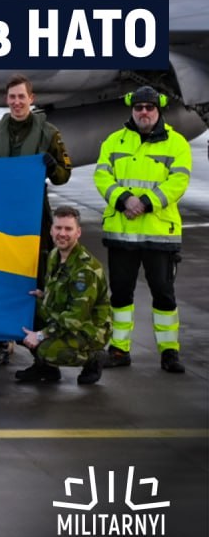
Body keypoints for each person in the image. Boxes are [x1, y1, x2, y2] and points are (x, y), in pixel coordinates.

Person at [93, 86, 191, 373]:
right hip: (121, 233)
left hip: (160, 234)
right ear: (132, 110)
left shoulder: (177, 144)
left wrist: (145, 203)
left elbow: (178, 182)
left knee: (164, 294)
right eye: (139, 108)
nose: (144, 112)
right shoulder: (114, 141)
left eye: (149, 107)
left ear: (158, 110)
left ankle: (169, 352)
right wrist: (124, 199)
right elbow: (101, 175)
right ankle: (119, 350)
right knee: (121, 295)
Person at [0, 74, 72, 369]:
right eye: (12, 97)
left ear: (31, 99)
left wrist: (52, 166)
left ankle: (42, 350)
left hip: (35, 213)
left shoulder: (49, 132)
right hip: (4, 214)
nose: (17, 102)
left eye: (22, 96)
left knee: (39, 278)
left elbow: (63, 176)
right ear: (6, 100)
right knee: (2, 276)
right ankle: (2, 343)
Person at [16, 206, 110, 384]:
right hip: (64, 318)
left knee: (47, 350)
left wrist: (40, 335)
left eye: (68, 229)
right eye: (58, 228)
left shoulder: (85, 270)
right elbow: (61, 292)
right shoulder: (54, 255)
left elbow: (75, 317)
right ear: (51, 230)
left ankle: (93, 358)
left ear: (78, 232)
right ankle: (46, 369)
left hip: (88, 329)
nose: (62, 234)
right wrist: (43, 296)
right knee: (20, 318)